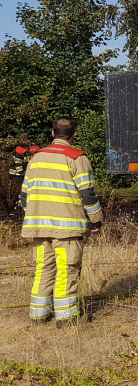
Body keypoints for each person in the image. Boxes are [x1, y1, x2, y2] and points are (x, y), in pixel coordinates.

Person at [20, 117, 103, 328]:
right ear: (74, 135)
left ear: (52, 133)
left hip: (38, 226)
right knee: (67, 269)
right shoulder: (76, 157)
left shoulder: (36, 158)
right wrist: (96, 220)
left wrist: (33, 216)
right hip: (67, 229)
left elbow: (24, 196)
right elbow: (88, 195)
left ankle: (39, 314)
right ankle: (66, 318)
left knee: (44, 268)